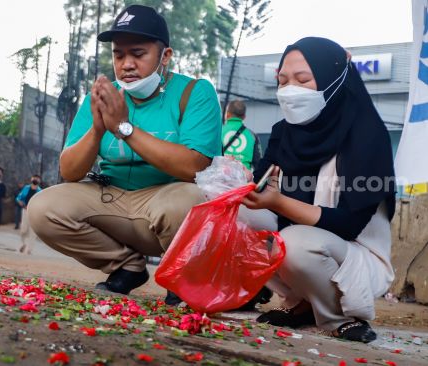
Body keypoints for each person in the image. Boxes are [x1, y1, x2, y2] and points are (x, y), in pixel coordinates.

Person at [27, 4, 221, 295]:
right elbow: (69, 171)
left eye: (138, 54)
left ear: (165, 56)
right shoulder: (103, 95)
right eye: (119, 54)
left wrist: (124, 128)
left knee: (188, 201)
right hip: (111, 199)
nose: (127, 64)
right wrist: (97, 129)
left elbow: (194, 166)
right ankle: (127, 266)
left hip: (165, 202)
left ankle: (182, 274)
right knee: (43, 208)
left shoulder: (194, 92)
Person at [239, 37, 396, 343]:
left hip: (353, 251)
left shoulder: (365, 134)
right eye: (282, 81)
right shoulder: (284, 132)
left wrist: (279, 201)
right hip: (303, 239)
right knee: (237, 213)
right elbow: (259, 186)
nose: (289, 90)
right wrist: (238, 183)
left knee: (294, 244)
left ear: (333, 80)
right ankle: (300, 304)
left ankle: (337, 316)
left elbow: (350, 222)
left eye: (303, 80)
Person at [222, 99, 262, 170]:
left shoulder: (218, 132)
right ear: (244, 117)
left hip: (220, 176)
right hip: (243, 178)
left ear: (227, 115)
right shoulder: (252, 135)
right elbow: (258, 163)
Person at [17, 175, 42, 254]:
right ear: (31, 179)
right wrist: (20, 202)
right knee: (23, 229)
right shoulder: (26, 188)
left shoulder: (40, 191)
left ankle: (29, 249)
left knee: (33, 232)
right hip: (25, 210)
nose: (35, 179)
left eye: (37, 178)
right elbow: (18, 197)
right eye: (34, 178)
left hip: (34, 213)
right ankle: (23, 244)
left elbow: (42, 203)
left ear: (39, 181)